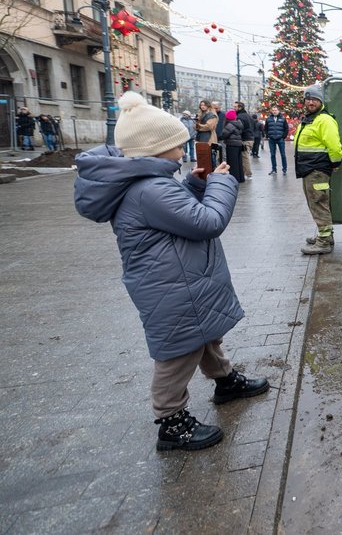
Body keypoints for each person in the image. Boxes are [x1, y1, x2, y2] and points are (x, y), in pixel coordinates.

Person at [73, 90, 269, 452]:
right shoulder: (151, 189)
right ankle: (171, 421)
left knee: (203, 335)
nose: (183, 148)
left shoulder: (150, 185)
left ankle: (226, 381)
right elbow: (207, 221)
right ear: (155, 149)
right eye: (177, 144)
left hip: (177, 280)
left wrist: (193, 186)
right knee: (178, 353)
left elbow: (175, 213)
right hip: (171, 284)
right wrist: (221, 182)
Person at [295, 85, 342, 255]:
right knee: (316, 203)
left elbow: (334, 145)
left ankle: (324, 242)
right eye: (308, 99)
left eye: (314, 99)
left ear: (321, 101)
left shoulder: (324, 120)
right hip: (309, 169)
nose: (311, 102)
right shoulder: (310, 119)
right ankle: (326, 236)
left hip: (317, 169)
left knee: (319, 203)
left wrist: (336, 162)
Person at [218, 109, 245, 183]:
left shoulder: (230, 125)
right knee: (239, 162)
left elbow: (224, 134)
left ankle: (234, 178)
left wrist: (220, 137)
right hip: (239, 144)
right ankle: (241, 178)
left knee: (233, 163)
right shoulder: (238, 124)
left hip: (231, 145)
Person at [264, 105, 289, 174]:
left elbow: (286, 128)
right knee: (272, 155)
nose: (274, 112)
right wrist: (268, 136)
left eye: (275, 110)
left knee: (283, 154)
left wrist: (283, 137)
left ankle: (284, 169)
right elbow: (265, 129)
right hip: (271, 139)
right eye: (273, 110)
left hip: (280, 139)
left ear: (278, 111)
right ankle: (274, 169)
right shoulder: (268, 119)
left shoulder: (283, 118)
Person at [234, 102, 254, 178]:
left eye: (235, 107)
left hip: (245, 139)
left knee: (244, 157)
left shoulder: (240, 117)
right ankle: (245, 173)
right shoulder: (249, 116)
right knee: (245, 156)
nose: (234, 108)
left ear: (240, 107)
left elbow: (240, 128)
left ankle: (248, 174)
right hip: (250, 138)